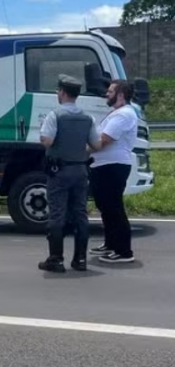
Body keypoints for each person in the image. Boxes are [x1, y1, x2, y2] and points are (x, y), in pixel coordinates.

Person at [38, 75, 102, 273]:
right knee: (80, 214)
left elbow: (47, 141)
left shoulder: (55, 116)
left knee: (58, 214)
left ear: (63, 93)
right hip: (81, 170)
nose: (57, 94)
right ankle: (80, 260)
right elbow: (97, 145)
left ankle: (56, 260)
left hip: (60, 171)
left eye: (58, 91)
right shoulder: (88, 118)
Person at [88, 80, 138, 264]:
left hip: (113, 166)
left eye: (110, 91)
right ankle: (111, 244)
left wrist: (79, 150)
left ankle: (124, 251)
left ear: (121, 95)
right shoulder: (117, 113)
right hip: (104, 166)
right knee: (105, 207)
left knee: (114, 208)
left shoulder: (124, 115)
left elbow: (104, 140)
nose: (106, 94)